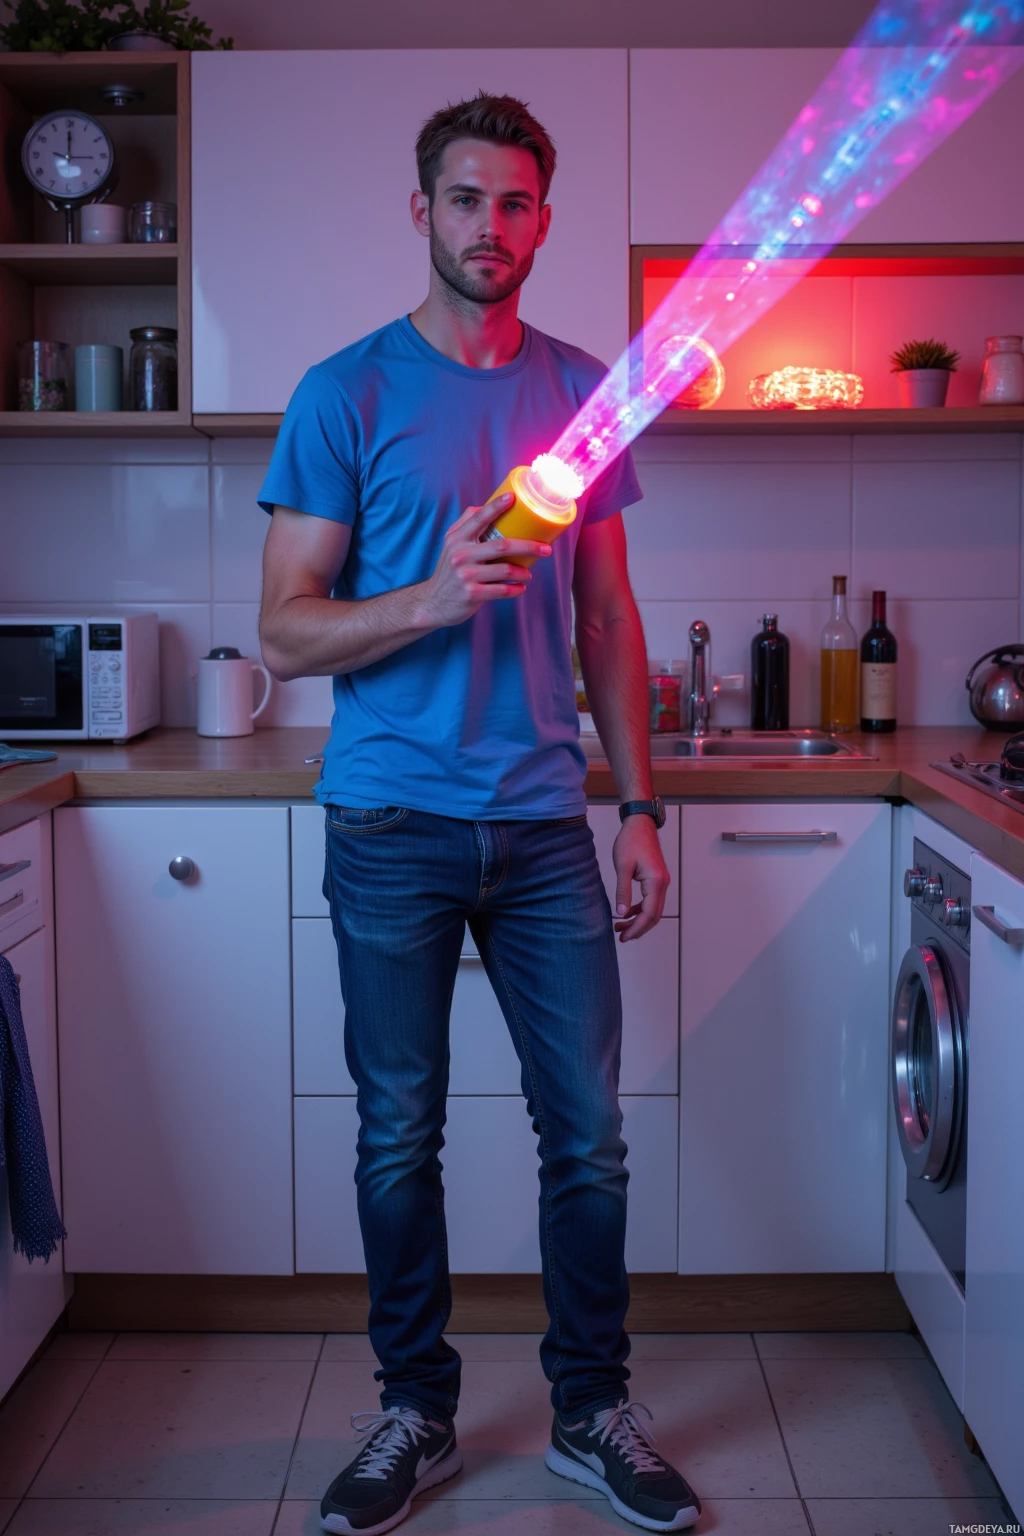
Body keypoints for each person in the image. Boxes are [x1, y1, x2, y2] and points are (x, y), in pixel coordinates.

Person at [258, 91, 701, 1536]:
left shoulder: (582, 390)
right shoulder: (345, 393)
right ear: (423, 211)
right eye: (465, 198)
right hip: (389, 823)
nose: (489, 225)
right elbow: (285, 629)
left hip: (545, 826)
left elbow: (610, 617)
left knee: (589, 1134)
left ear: (543, 223)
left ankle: (590, 1410)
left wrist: (639, 805)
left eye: (515, 202)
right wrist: (432, 598)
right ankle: (417, 1412)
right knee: (400, 1134)